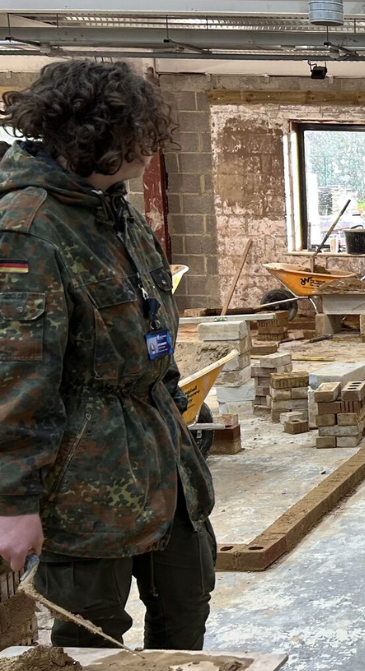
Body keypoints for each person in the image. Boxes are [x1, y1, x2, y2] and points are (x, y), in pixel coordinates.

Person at [0, 60, 216, 650]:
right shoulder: (29, 230)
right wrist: (13, 503)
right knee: (92, 638)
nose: (146, 153)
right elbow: (17, 380)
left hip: (161, 457)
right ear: (95, 138)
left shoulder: (114, 208)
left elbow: (154, 319)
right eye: (137, 139)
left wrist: (173, 404)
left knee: (186, 610)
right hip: (85, 478)